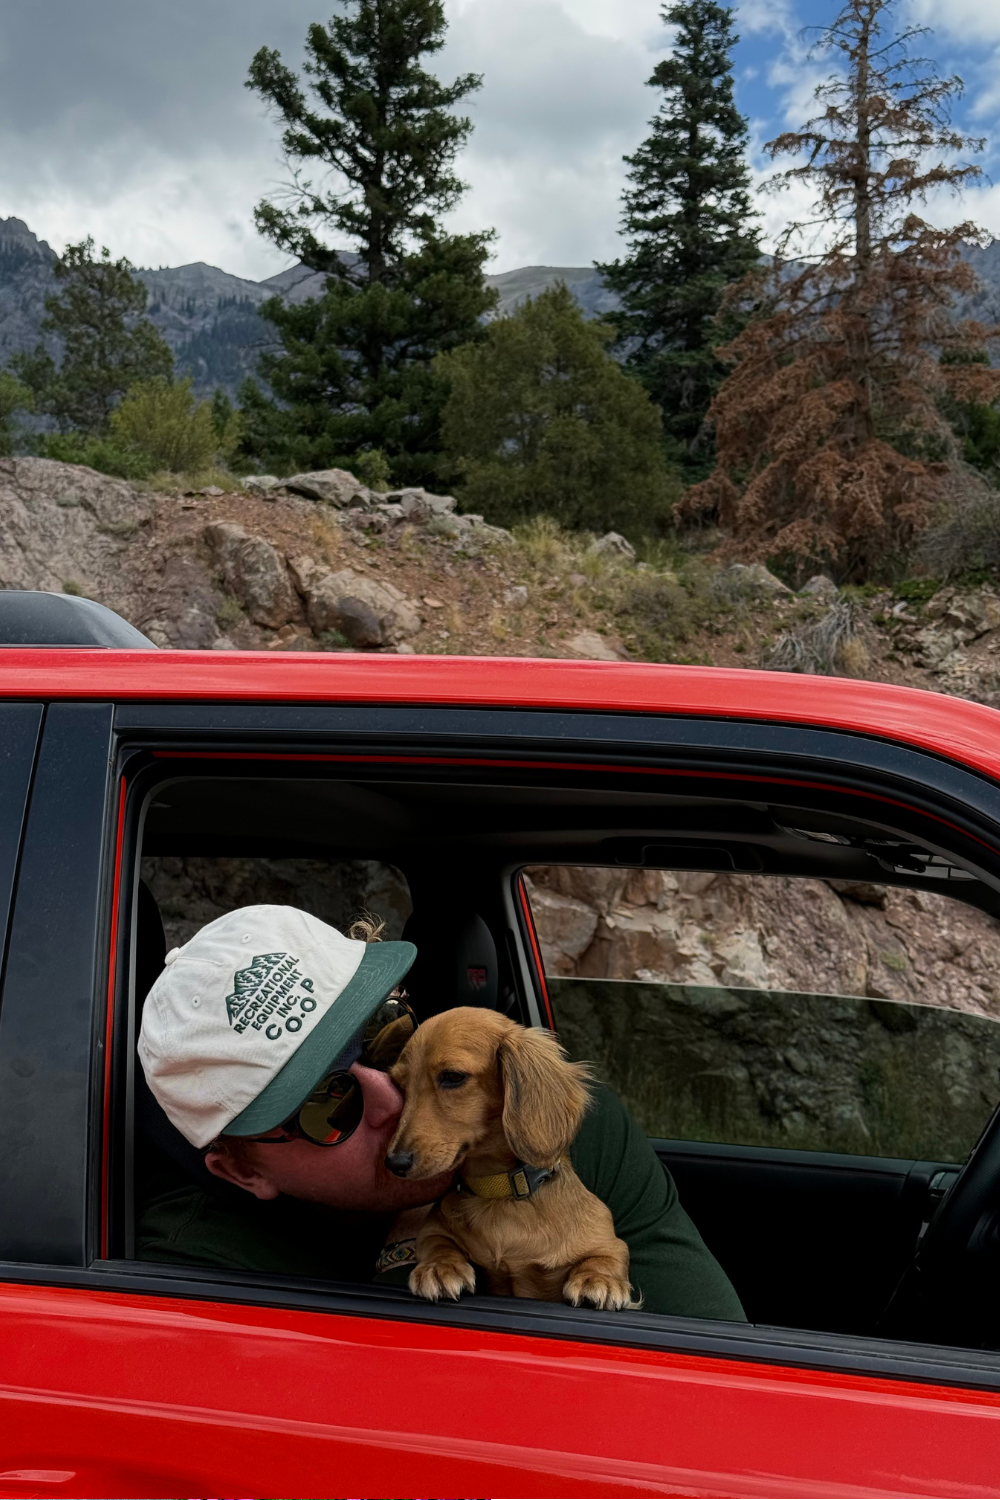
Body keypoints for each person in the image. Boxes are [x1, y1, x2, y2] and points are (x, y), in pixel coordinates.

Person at [137, 904, 746, 1322]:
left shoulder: (550, 1130)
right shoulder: (195, 1278)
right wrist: (420, 1230)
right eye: (328, 1102)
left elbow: (720, 1374)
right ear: (245, 1171)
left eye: (383, 1037)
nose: (392, 1102)